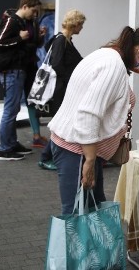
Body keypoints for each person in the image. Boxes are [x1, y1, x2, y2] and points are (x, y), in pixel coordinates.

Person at [47, 25, 139, 215]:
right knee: (76, 215)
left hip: (81, 150)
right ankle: (75, 246)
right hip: (77, 150)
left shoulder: (108, 55)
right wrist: (90, 160)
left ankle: (92, 246)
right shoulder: (113, 66)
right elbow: (88, 114)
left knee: (91, 212)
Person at [0, 0, 45, 161]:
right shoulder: (12, 21)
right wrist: (19, 38)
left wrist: (38, 39)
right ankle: (4, 149)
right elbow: (0, 42)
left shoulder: (22, 22)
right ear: (25, 6)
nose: (35, 15)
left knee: (13, 109)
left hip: (18, 69)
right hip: (12, 70)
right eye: (33, 11)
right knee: (10, 110)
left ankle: (11, 144)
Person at [38, 9, 87, 171]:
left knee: (61, 123)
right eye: (81, 25)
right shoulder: (61, 41)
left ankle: (49, 156)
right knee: (61, 124)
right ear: (75, 24)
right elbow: (57, 65)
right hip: (61, 90)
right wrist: (71, 81)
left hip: (63, 89)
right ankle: (46, 157)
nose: (82, 28)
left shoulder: (64, 40)